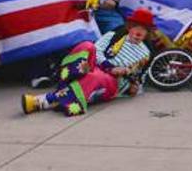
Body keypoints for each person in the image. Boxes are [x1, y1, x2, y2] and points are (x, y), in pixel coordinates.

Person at [21, 7, 155, 116]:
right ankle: (70, 77)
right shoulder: (113, 36)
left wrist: (134, 87)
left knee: (95, 77)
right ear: (129, 27)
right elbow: (96, 50)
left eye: (144, 29)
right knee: (87, 45)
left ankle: (41, 101)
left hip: (112, 81)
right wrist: (109, 66)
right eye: (136, 26)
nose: (139, 31)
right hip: (96, 67)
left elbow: (139, 79)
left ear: (147, 33)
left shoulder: (146, 53)